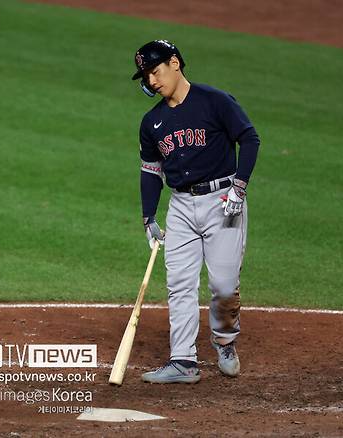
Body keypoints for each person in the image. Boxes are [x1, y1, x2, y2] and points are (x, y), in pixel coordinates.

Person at [133, 40, 260, 383]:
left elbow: (249, 139)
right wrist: (149, 217)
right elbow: (151, 171)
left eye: (155, 72)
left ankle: (225, 342)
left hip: (223, 201)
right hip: (181, 206)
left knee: (222, 284)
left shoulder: (214, 101)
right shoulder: (152, 122)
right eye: (146, 77)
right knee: (179, 284)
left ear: (175, 63)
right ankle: (183, 361)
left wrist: (239, 187)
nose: (152, 82)